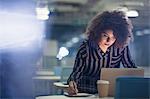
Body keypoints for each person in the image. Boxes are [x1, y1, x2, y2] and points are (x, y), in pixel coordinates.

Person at [67, 10, 137, 95]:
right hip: (86, 91)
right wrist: (72, 83)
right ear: (97, 33)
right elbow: (77, 72)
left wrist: (139, 83)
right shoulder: (86, 48)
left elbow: (131, 68)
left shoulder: (121, 47)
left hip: (109, 91)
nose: (109, 40)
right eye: (105, 35)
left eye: (113, 37)